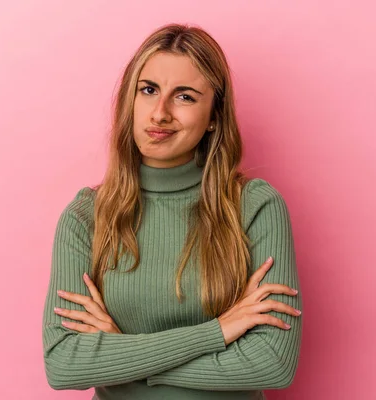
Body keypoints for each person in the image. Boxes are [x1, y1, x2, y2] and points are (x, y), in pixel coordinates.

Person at [42, 23, 303, 400]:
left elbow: (272, 363)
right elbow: (64, 363)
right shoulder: (86, 216)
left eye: (184, 96)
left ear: (214, 115)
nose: (160, 113)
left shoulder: (255, 206)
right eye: (148, 90)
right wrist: (218, 331)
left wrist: (121, 353)